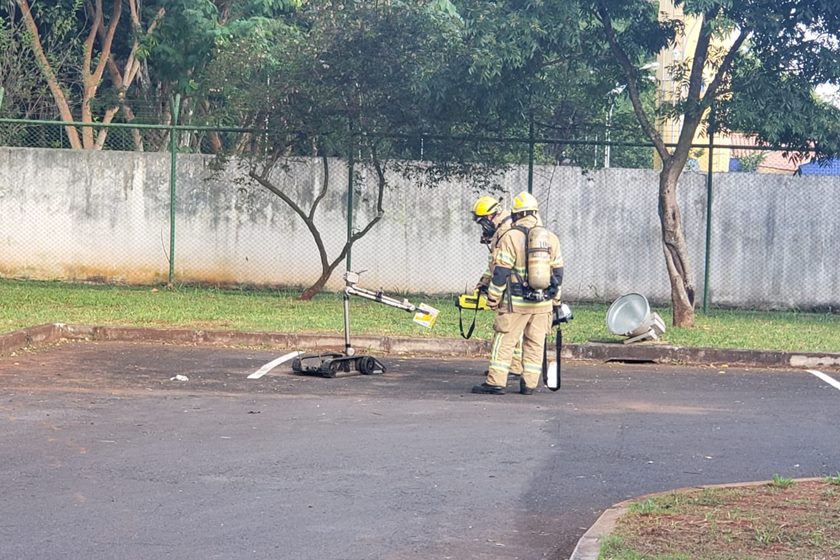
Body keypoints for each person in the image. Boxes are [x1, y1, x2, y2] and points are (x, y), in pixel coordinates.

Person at [472, 191, 564, 395]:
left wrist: (493, 298)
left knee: (504, 341)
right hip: (543, 304)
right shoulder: (551, 237)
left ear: (516, 214)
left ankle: (496, 382)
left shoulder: (510, 237)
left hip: (516, 303)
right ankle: (529, 385)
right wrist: (555, 301)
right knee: (534, 343)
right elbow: (558, 273)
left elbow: (501, 272)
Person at [471, 195, 523, 377]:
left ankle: (507, 370)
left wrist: (493, 293)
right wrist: (483, 283)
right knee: (512, 330)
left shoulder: (507, 232)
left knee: (507, 329)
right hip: (509, 288)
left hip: (513, 288)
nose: (482, 227)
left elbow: (503, 267)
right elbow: (494, 264)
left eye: (482, 221)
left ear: (492, 216)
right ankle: (514, 367)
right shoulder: (501, 231)